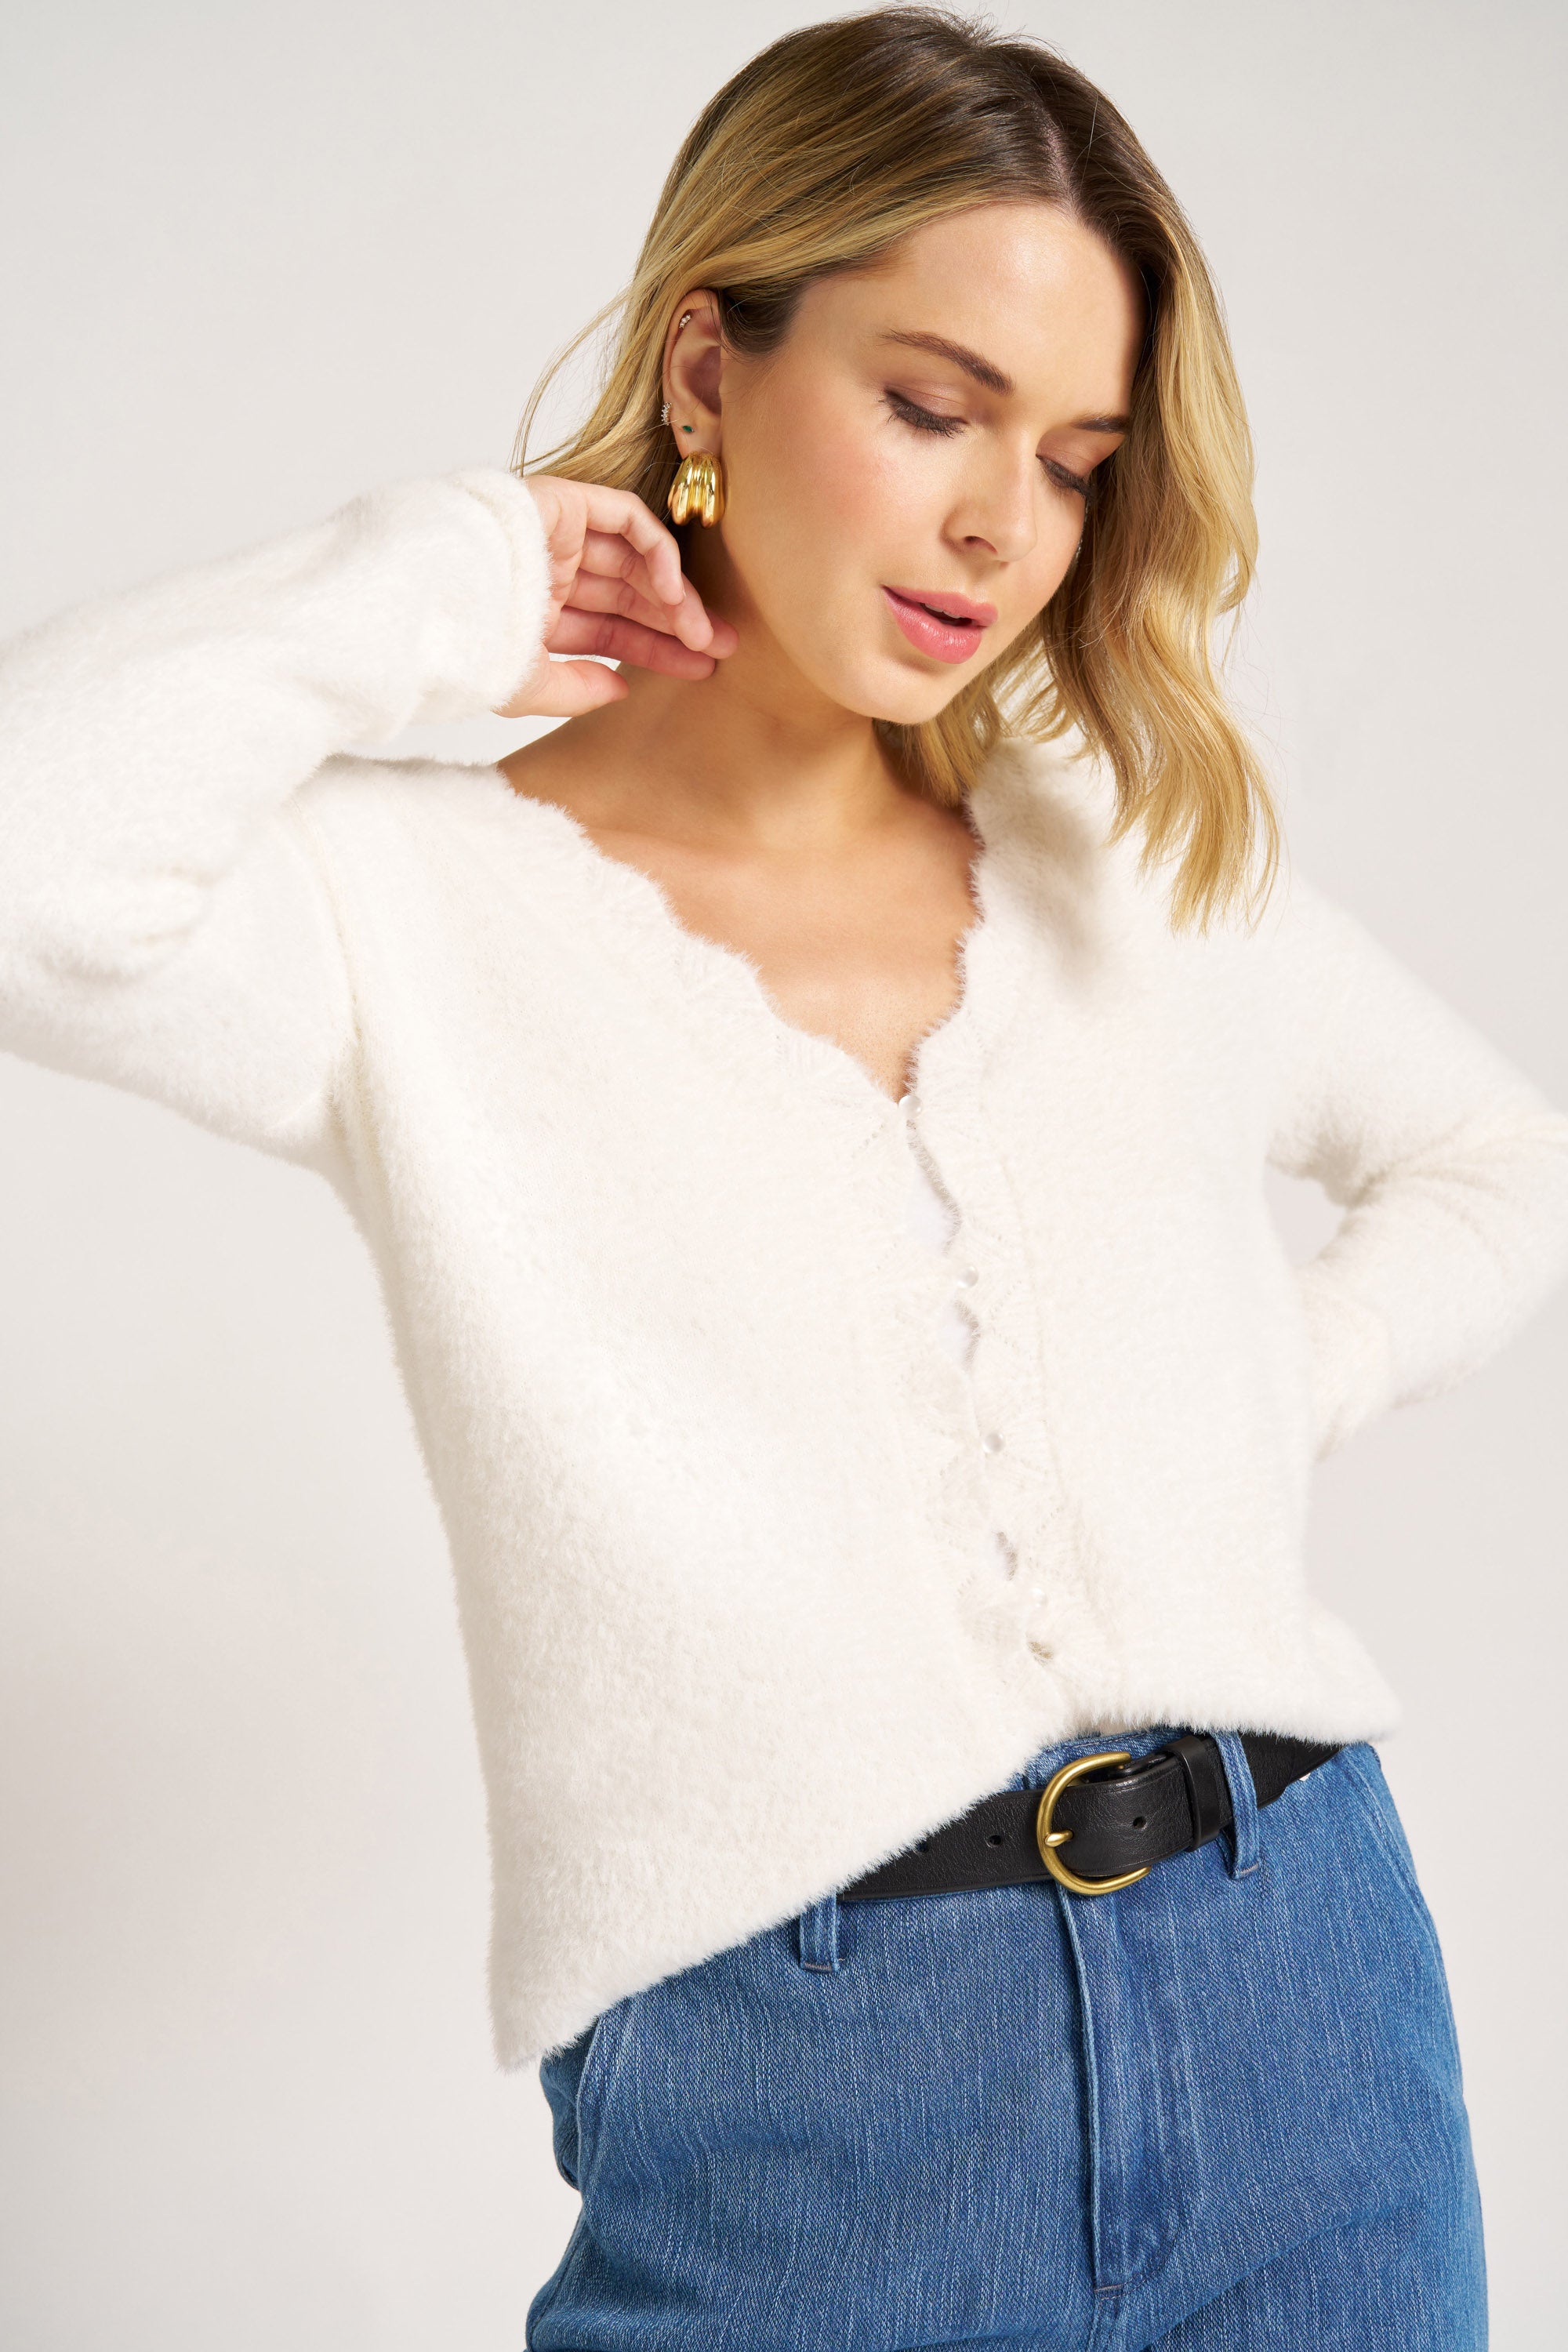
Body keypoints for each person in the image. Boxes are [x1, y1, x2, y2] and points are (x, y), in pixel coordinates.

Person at [2, 9, 1564, 2346]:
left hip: (1301, 2015)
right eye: (933, 406)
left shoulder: (1116, 868)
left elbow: (1497, 1164)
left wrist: (1260, 1383)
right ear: (706, 367)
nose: (1001, 527)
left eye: (1074, 461)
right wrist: (454, 571)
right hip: (806, 2097)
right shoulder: (408, 922)